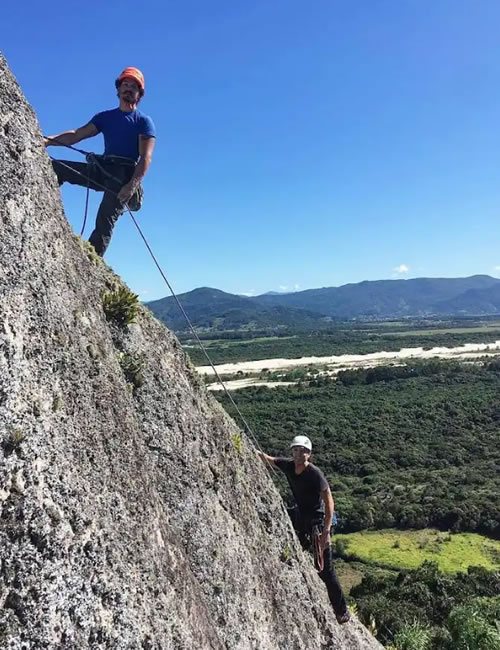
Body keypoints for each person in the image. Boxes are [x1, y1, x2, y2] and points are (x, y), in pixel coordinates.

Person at [44, 67, 156, 256]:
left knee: (105, 218)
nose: (128, 88)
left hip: (124, 175)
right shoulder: (105, 117)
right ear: (118, 90)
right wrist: (47, 141)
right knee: (57, 168)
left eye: (133, 86)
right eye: (125, 84)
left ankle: (91, 263)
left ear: (139, 94)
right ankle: (44, 209)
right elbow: (77, 135)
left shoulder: (143, 122)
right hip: (105, 167)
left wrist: (131, 186)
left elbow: (145, 157)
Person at [257, 435, 350, 624]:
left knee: (326, 570)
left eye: (304, 451)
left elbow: (328, 500)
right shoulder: (289, 466)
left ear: (310, 454)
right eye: (296, 450)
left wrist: (326, 531)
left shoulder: (314, 473)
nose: (299, 454)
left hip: (316, 523)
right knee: (287, 541)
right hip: (301, 517)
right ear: (292, 451)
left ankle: (342, 611)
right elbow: (268, 459)